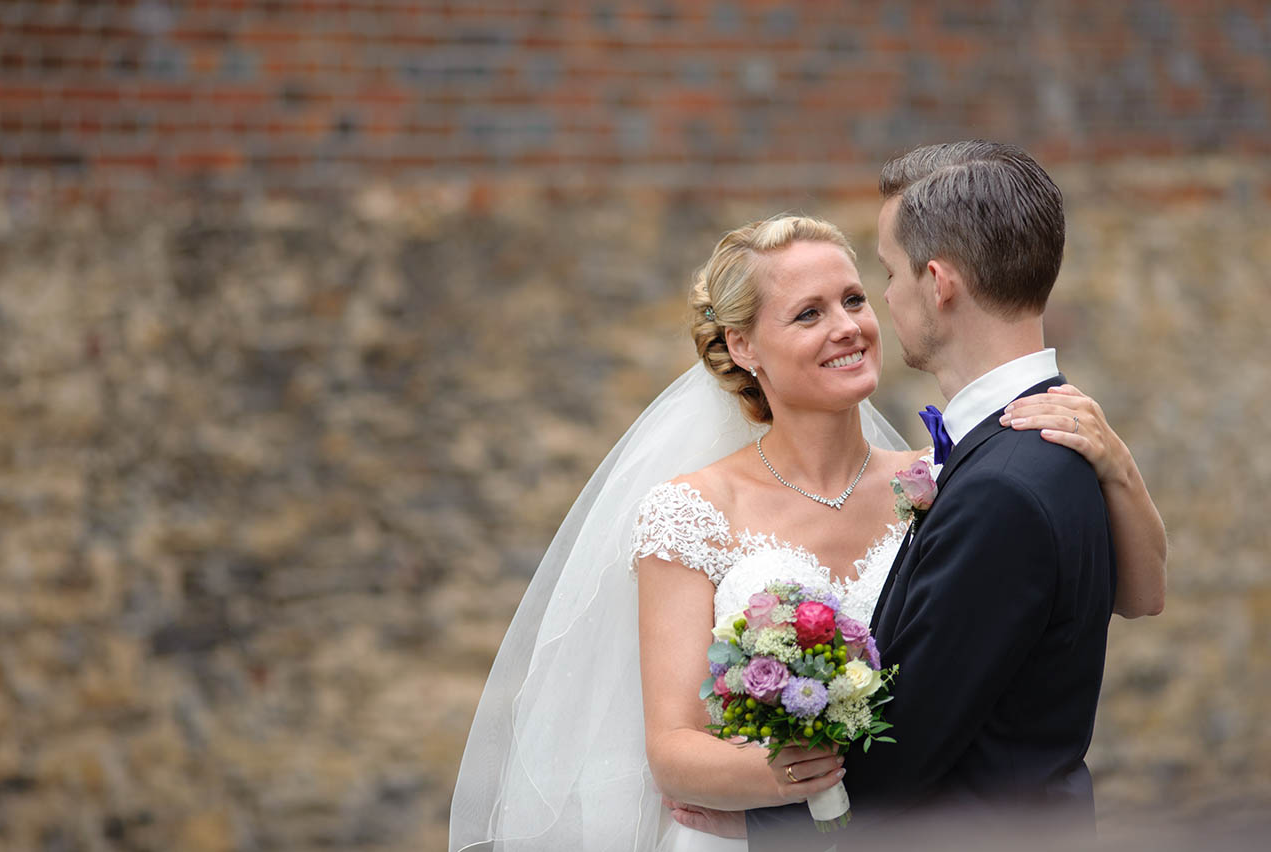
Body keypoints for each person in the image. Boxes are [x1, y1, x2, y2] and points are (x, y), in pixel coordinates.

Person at [448, 207, 1165, 849]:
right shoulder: (692, 510)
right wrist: (793, 795)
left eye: (855, 298)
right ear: (743, 346)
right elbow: (672, 746)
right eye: (808, 314)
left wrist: (1117, 466)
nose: (847, 327)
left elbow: (1139, 595)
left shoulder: (944, 480)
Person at [735, 142, 1158, 849]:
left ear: (939, 282)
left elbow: (900, 761)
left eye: (887, 274)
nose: (885, 299)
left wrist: (737, 820)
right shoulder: (1060, 435)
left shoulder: (1000, 486)